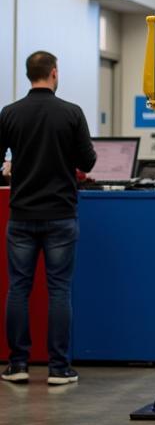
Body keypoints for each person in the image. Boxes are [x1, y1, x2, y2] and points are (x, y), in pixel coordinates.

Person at [0, 51, 96, 385]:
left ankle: (18, 365)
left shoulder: (9, 114)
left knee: (18, 289)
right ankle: (58, 368)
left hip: (22, 215)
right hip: (61, 215)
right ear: (54, 73)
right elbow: (89, 160)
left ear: (30, 74)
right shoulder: (71, 113)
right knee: (59, 290)